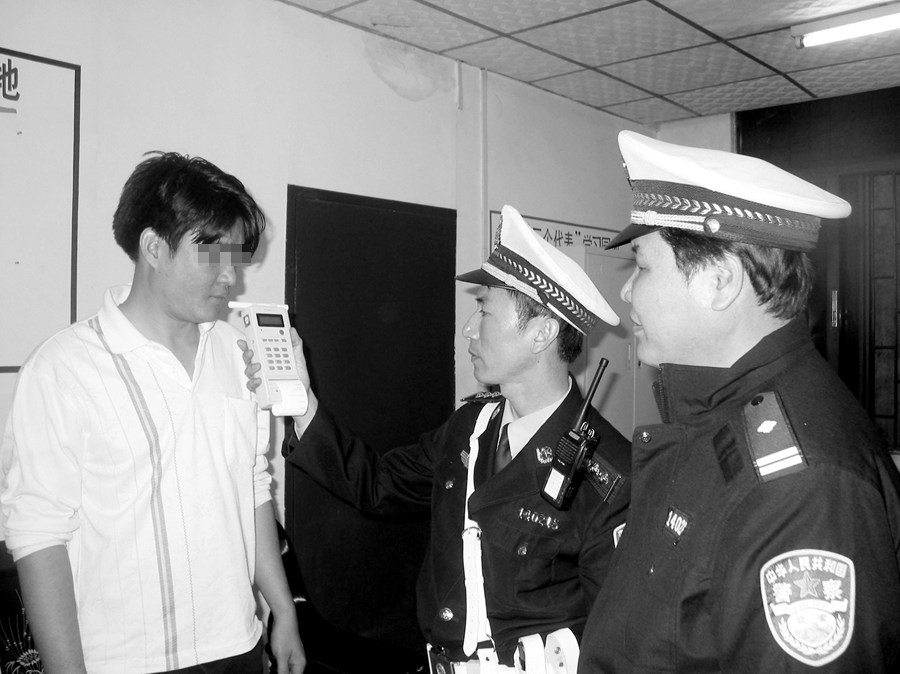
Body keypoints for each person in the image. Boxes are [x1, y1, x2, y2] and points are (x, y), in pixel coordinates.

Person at [244, 205, 632, 672]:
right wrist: (301, 401)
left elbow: (617, 638)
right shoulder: (471, 427)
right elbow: (377, 484)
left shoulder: (609, 473)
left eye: (484, 309)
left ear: (542, 333)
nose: (469, 328)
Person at [578, 131, 900, 673]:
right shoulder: (718, 412)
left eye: (644, 266)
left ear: (720, 282)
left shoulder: (800, 489)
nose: (628, 290)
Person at [0, 152, 306, 674]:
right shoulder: (63, 369)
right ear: (154, 247)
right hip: (123, 660)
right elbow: (39, 534)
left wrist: (283, 610)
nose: (230, 277)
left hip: (238, 643)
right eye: (215, 255)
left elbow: (251, 485)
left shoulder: (239, 355)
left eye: (237, 258)